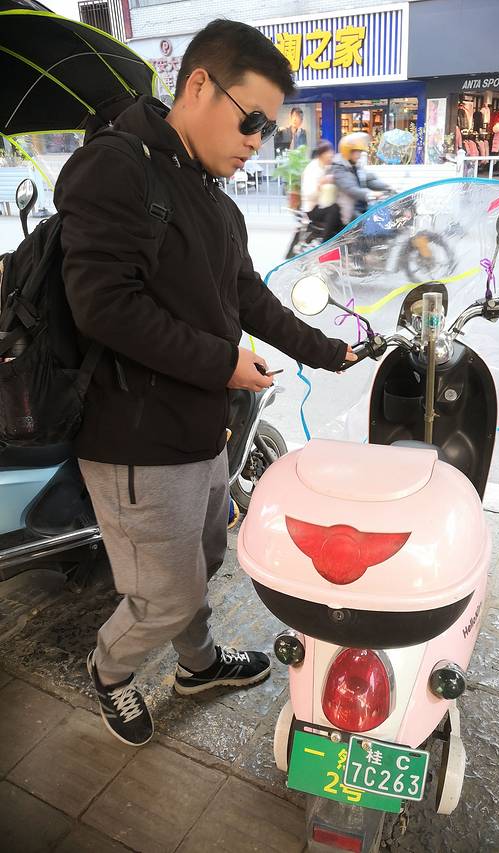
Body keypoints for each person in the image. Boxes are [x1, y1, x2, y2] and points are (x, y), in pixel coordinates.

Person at [55, 19, 357, 748]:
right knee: (163, 596)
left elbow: (246, 296)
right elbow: (103, 306)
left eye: (270, 130)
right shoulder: (117, 168)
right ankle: (110, 672)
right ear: (198, 85)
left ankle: (197, 666)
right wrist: (224, 364)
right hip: (134, 442)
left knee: (203, 562)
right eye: (251, 120)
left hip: (201, 429)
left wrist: (326, 351)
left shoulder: (214, 199)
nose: (258, 141)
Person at [324, 132, 392, 241]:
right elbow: (351, 189)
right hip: (350, 211)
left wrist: (388, 187)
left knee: (388, 222)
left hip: (363, 207)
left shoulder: (355, 166)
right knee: (376, 229)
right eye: (357, 152)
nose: (360, 155)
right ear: (348, 151)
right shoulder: (339, 168)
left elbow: (368, 181)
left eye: (360, 152)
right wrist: (370, 194)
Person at [301, 140, 336, 229]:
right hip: (312, 208)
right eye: (329, 153)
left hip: (324, 204)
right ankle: (327, 237)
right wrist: (320, 184)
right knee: (334, 210)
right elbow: (308, 194)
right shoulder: (312, 169)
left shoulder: (328, 167)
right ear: (322, 155)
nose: (332, 155)